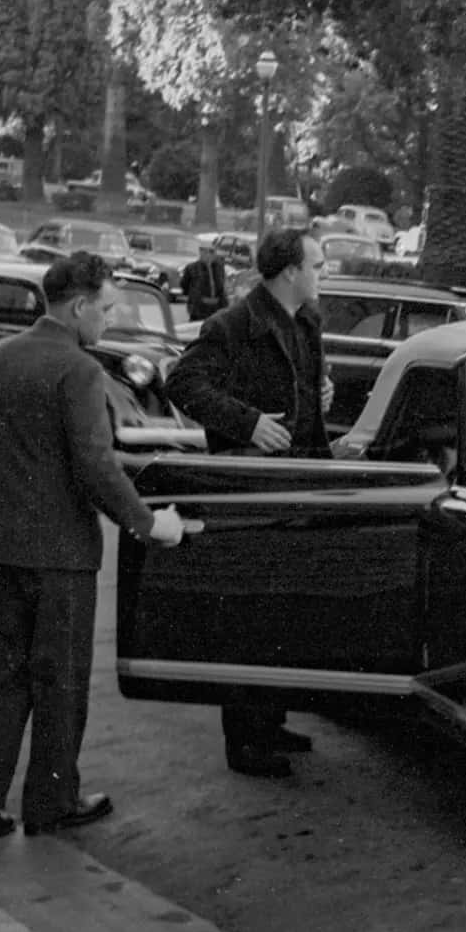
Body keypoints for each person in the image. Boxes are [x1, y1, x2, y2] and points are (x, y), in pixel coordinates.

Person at [0, 252, 196, 840]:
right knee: (60, 681)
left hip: (3, 546)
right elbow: (97, 467)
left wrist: (2, 518)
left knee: (3, 673)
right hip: (61, 555)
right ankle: (52, 801)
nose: (109, 320)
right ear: (80, 305)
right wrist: (148, 523)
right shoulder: (78, 370)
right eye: (107, 308)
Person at [164, 227, 335, 779]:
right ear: (290, 271)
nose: (321, 272)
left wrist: (320, 392)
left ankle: (271, 721)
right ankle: (245, 739)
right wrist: (248, 423)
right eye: (317, 263)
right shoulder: (233, 325)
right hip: (249, 492)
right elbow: (183, 383)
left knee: (283, 612)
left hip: (295, 487)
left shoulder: (306, 321)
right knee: (249, 615)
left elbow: (303, 391)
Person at [181, 238, 229, 322]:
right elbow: (184, 285)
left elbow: (222, 285)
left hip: (217, 308)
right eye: (207, 251)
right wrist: (194, 297)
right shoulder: (192, 268)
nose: (209, 255)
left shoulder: (219, 267)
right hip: (199, 309)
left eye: (212, 252)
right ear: (201, 252)